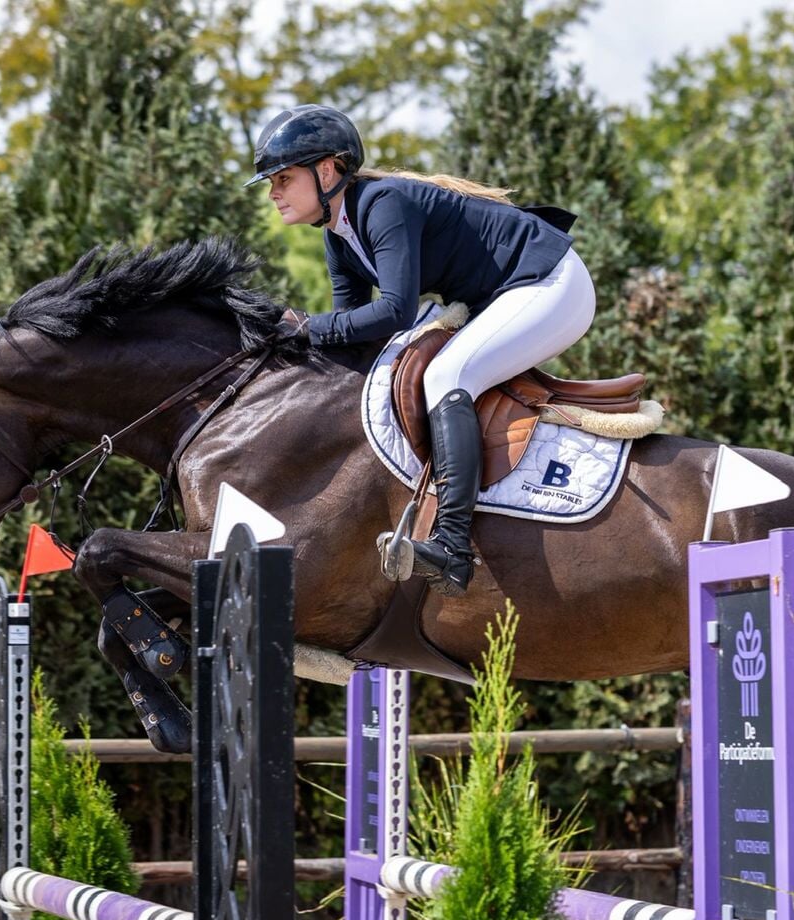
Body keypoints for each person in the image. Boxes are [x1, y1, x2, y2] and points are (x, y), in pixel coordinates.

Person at [244, 103, 596, 597]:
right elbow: (356, 334)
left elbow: (394, 312)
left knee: (447, 375)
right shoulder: (339, 237)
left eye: (283, 178)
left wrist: (305, 326)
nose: (273, 193)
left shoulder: (382, 203)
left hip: (550, 282)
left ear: (326, 171)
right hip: (505, 296)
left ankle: (453, 547)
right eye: (271, 182)